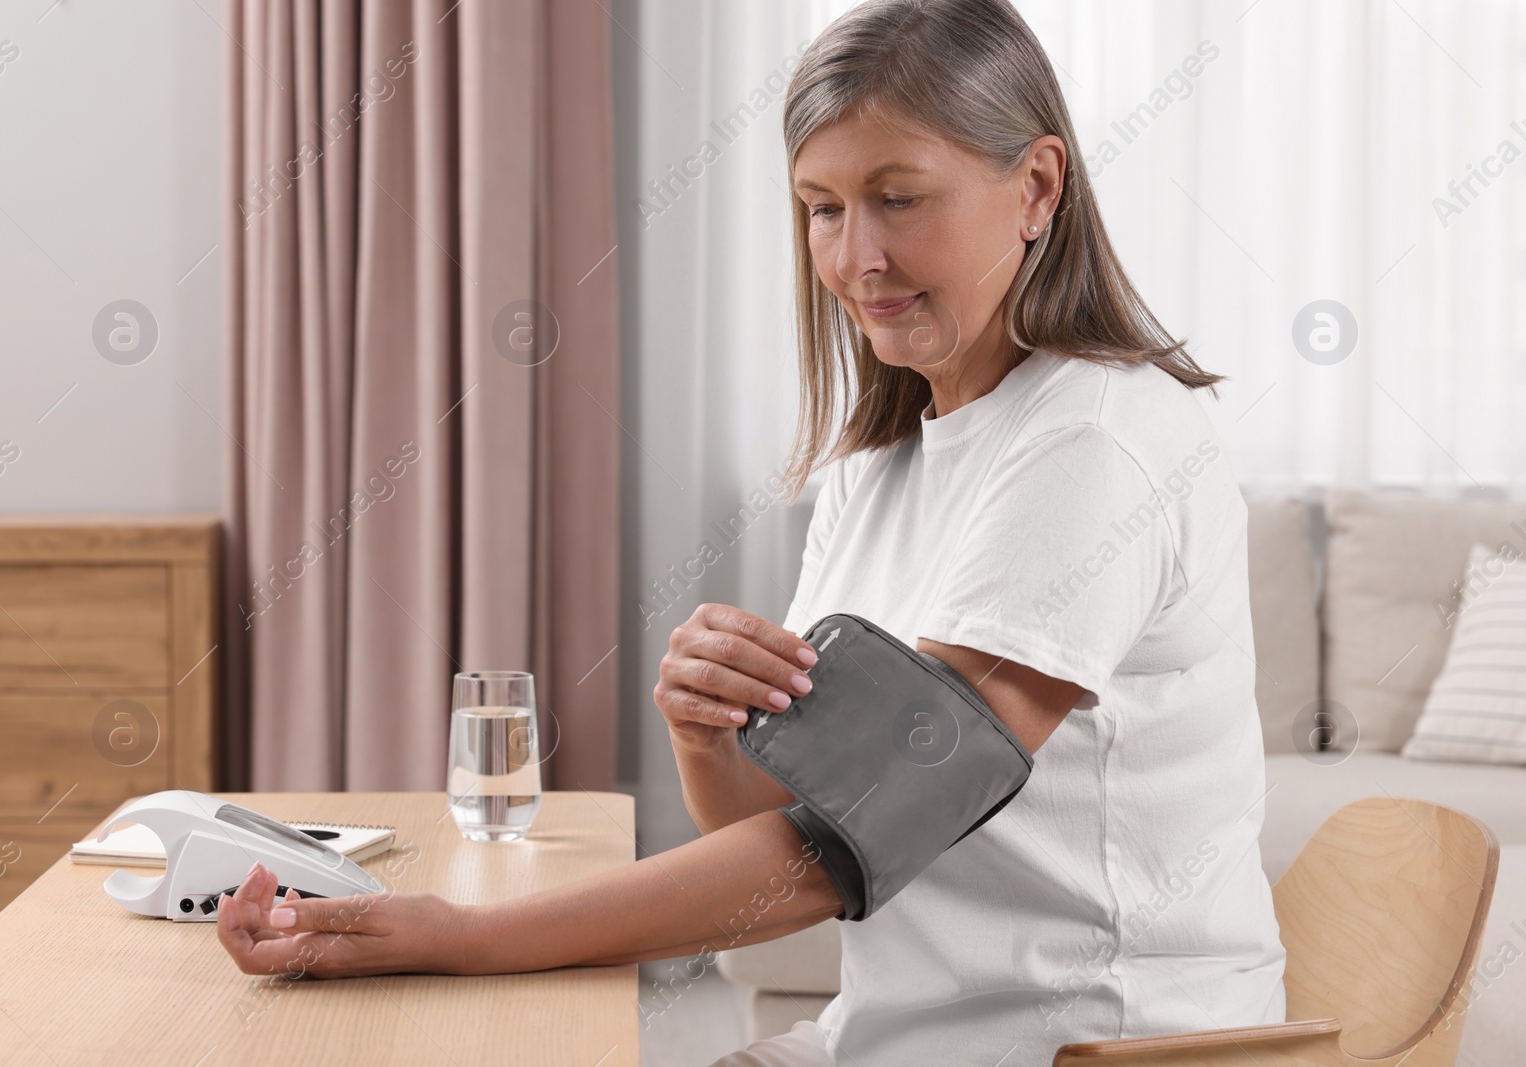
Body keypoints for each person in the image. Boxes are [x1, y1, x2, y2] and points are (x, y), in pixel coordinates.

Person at [217, 1, 1287, 1063]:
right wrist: (703, 733)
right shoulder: (881, 469)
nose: (856, 255)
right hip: (897, 1039)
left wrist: (474, 935)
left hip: (1091, 1044)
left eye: (898, 197)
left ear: (1036, 187)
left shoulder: (1094, 436)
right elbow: (778, 820)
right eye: (821, 208)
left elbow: (852, 841)